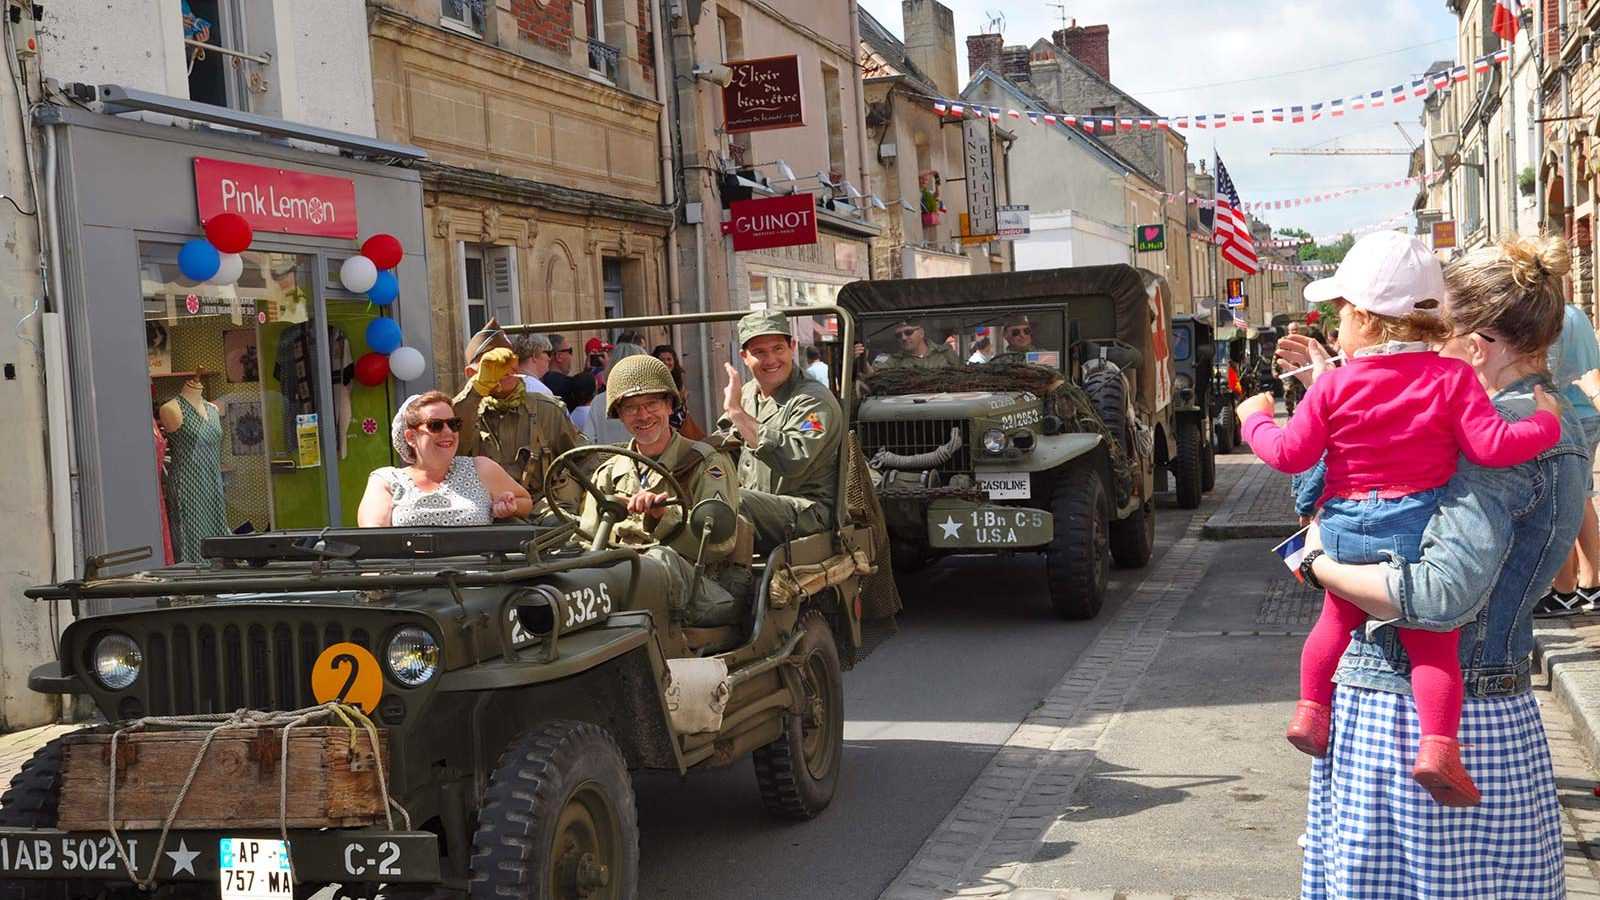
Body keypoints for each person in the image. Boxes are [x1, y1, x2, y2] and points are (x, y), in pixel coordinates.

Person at [1288, 234, 1586, 898]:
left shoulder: (1499, 442)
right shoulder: (1542, 420)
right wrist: (1335, 402)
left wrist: (1318, 564)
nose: (1420, 351)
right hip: (1474, 708)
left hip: (1418, 724)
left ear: (1473, 345)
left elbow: (1439, 594)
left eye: (1436, 335)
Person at [1236, 230, 1561, 806]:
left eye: (1339, 316)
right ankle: (1438, 746)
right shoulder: (1452, 378)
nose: (1335, 330)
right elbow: (1492, 448)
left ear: (1363, 318)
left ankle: (1312, 711)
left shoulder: (1333, 385)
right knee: (1433, 645)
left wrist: (1254, 421)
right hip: (1413, 526)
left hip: (1342, 527)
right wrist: (1544, 424)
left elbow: (1289, 455)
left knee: (1333, 624)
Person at [574, 355, 742, 631]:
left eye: (652, 404)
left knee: (656, 561)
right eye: (631, 408)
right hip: (620, 580)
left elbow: (719, 545)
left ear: (668, 405)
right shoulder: (608, 472)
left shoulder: (707, 463)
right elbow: (587, 540)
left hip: (698, 587)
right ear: (619, 414)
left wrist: (664, 517)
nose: (643, 416)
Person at [717, 310, 843, 551]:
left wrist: (737, 414)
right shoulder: (747, 394)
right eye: (759, 352)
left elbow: (792, 458)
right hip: (762, 508)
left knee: (732, 500)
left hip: (807, 513)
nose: (771, 360)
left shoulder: (814, 400)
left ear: (792, 347)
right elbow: (722, 444)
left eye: (778, 349)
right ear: (744, 357)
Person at [358, 391, 533, 527]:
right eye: (436, 425)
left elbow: (525, 502)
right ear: (411, 437)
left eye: (453, 424)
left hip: (476, 570)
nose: (448, 432)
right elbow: (374, 534)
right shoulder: (387, 480)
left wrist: (508, 507)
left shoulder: (481, 468)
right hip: (411, 572)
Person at [451, 318, 583, 494]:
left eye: (508, 360)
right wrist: (475, 391)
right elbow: (448, 450)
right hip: (483, 511)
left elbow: (584, 459)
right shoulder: (461, 414)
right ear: (471, 373)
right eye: (492, 364)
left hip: (539, 511)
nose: (505, 369)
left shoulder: (548, 410)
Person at [1538, 302, 1600, 615]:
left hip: (1568, 412)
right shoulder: (1573, 312)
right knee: (1580, 497)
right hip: (1584, 412)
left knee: (1562, 500)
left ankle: (1566, 587)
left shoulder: (1548, 314)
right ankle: (1589, 583)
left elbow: (1551, 375)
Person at [585, 343, 648, 444]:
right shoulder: (650, 399)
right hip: (643, 457)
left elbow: (589, 440)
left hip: (608, 458)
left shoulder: (599, 401)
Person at [878, 319, 960, 370]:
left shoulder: (945, 352)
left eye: (908, 332)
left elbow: (961, 377)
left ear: (921, 333)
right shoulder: (893, 360)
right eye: (898, 335)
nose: (903, 338)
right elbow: (875, 378)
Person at [511, 333, 558, 399]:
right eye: (548, 353)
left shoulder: (506, 384)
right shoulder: (540, 390)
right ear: (534, 355)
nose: (549, 359)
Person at [543, 332, 576, 400]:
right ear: (559, 356)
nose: (571, 355)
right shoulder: (570, 386)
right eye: (570, 351)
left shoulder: (540, 381)